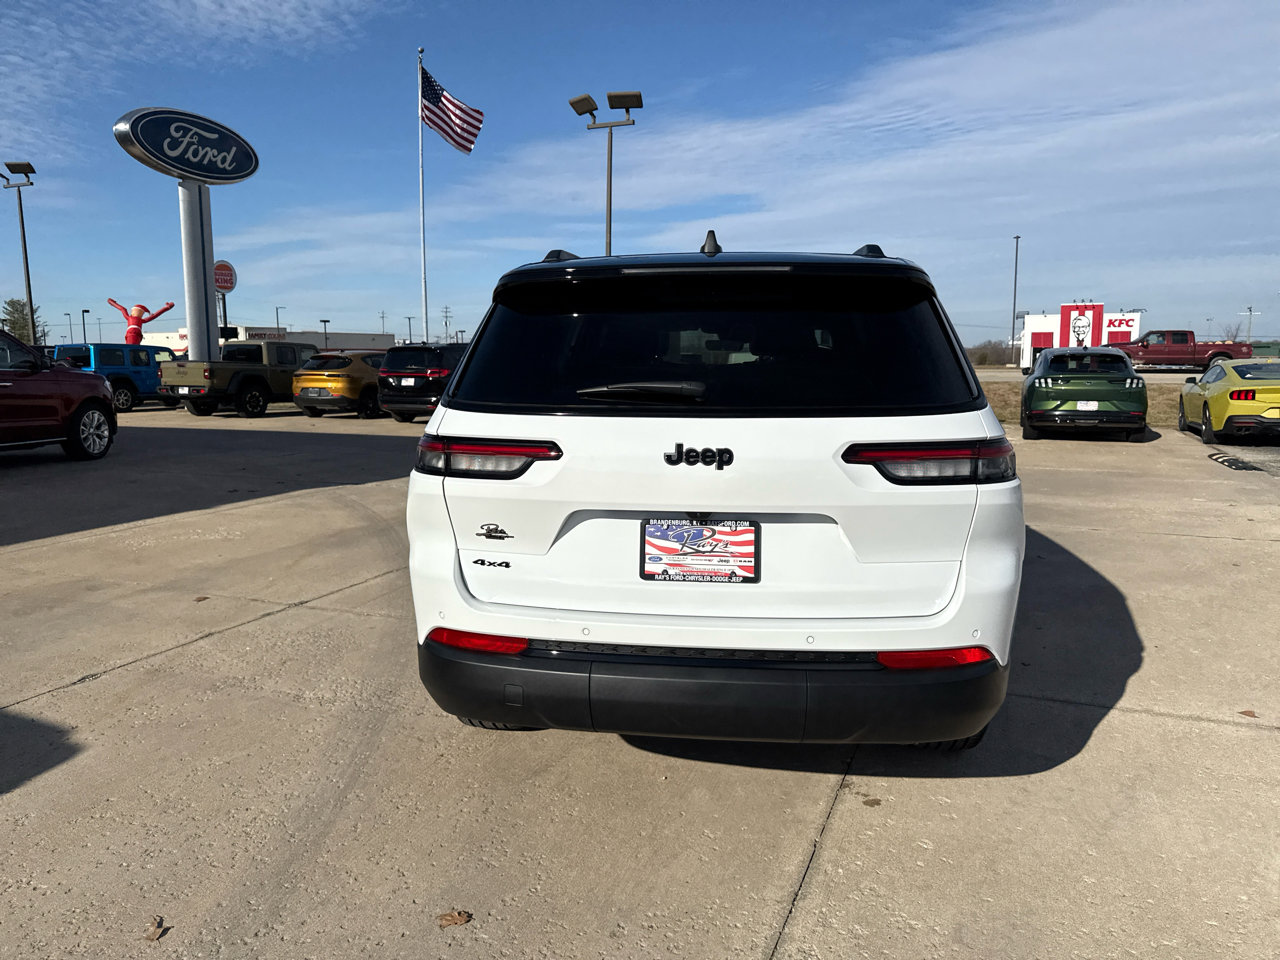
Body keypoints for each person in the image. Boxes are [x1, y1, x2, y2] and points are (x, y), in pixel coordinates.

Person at [107, 298, 174, 345]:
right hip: (135, 334)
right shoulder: (139, 320)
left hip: (132, 334)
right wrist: (166, 308)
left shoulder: (130, 318)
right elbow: (155, 315)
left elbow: (122, 309)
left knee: (131, 348)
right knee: (133, 348)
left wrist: (111, 302)